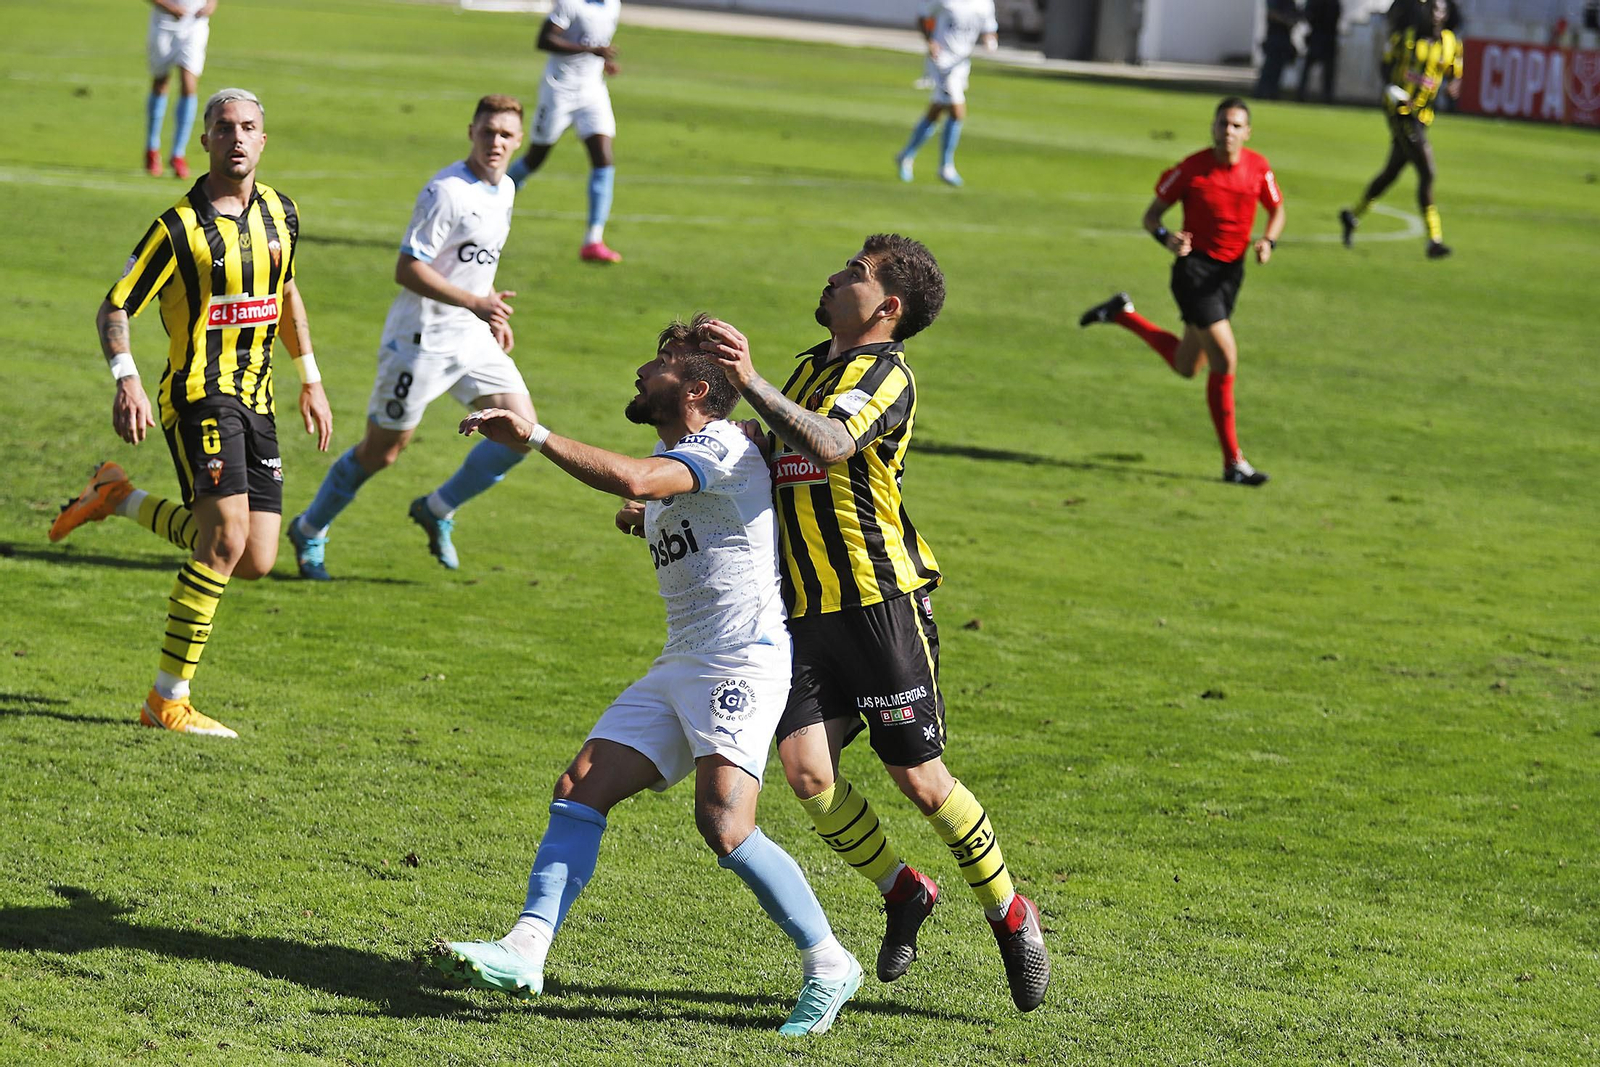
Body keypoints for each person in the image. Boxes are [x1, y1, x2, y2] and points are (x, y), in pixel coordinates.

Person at [431, 315, 862, 1036]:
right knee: (580, 786)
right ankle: (524, 949)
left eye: (659, 363)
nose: (640, 370)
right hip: (681, 661)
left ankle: (828, 961)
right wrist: (648, 516)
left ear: (696, 387)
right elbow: (665, 498)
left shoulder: (722, 442)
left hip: (741, 660)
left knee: (724, 823)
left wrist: (534, 436)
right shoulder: (689, 461)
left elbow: (637, 476)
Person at [698, 234, 1051, 1013]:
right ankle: (903, 890)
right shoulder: (806, 367)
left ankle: (1011, 913)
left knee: (920, 781)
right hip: (803, 610)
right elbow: (769, 453)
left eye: (853, 273)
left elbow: (826, 442)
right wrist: (669, 491)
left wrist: (750, 379)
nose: (832, 275)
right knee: (807, 775)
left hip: (879, 605)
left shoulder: (888, 377)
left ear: (887, 306)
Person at [50, 88, 332, 737]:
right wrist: (128, 381)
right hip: (199, 396)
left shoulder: (282, 213)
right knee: (225, 540)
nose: (237, 137)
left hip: (258, 399)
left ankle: (117, 495)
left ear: (265, 138)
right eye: (224, 127)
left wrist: (309, 377)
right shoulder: (177, 227)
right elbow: (115, 305)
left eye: (249, 127)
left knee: (254, 555)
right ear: (203, 139)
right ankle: (166, 700)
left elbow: (284, 290)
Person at [286, 96, 530, 580]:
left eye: (505, 134)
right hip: (419, 341)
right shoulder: (446, 191)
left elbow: (469, 266)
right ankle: (310, 528)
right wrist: (474, 302)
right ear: (471, 132)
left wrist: (489, 308)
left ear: (518, 140)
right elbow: (408, 268)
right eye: (488, 132)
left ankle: (438, 508)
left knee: (521, 433)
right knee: (384, 451)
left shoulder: (505, 189)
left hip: (471, 336)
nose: (496, 142)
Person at [1078, 97, 1286, 487]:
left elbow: (1276, 211)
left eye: (1237, 125)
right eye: (1223, 123)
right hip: (1194, 273)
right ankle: (1233, 464)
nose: (1229, 131)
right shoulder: (1192, 169)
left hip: (1229, 276)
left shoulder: (1259, 168)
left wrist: (1268, 242)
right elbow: (1151, 217)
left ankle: (1122, 314)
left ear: (1248, 132)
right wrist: (1166, 238)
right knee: (1225, 358)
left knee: (1188, 366)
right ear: (1212, 127)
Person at [1340, 0, 1463, 259]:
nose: (1435, 15)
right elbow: (1385, 65)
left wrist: (1454, 86)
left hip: (1423, 116)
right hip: (1400, 113)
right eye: (1431, 9)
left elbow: (1455, 73)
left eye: (1440, 10)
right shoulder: (1406, 38)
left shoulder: (1451, 43)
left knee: (1391, 172)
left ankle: (1353, 215)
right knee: (1427, 172)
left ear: (1445, 14)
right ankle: (1434, 240)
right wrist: (1393, 91)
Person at [506, 0, 623, 263]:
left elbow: (596, 42)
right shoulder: (570, 3)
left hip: (593, 91)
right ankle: (487, 197)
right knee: (535, 158)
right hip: (559, 91)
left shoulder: (612, 5)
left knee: (603, 159)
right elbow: (544, 40)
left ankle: (593, 240)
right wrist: (591, 50)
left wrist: (602, 61)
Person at [894, 0, 998, 187]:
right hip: (940, 61)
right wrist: (931, 41)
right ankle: (946, 166)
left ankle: (906, 155)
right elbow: (923, 17)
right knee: (957, 111)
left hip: (961, 64)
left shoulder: (984, 4)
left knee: (936, 111)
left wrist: (990, 40)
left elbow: (989, 27)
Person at [143, 0, 217, 178]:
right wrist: (169, 7)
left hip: (194, 26)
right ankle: (152, 149)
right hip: (164, 23)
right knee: (161, 83)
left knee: (189, 85)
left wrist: (211, 4)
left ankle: (178, 154)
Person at [1297, 0, 1341, 104]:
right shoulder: (1333, 3)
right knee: (1327, 73)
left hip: (1317, 38)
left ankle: (1301, 95)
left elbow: (1307, 15)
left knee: (1309, 70)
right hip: (1327, 39)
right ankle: (1327, 97)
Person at [1256, 0, 1300, 100]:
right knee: (1270, 66)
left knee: (1278, 68)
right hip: (1274, 35)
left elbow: (1294, 15)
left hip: (1285, 37)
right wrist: (1287, 21)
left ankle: (1272, 93)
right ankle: (1261, 92)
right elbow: (1272, 13)